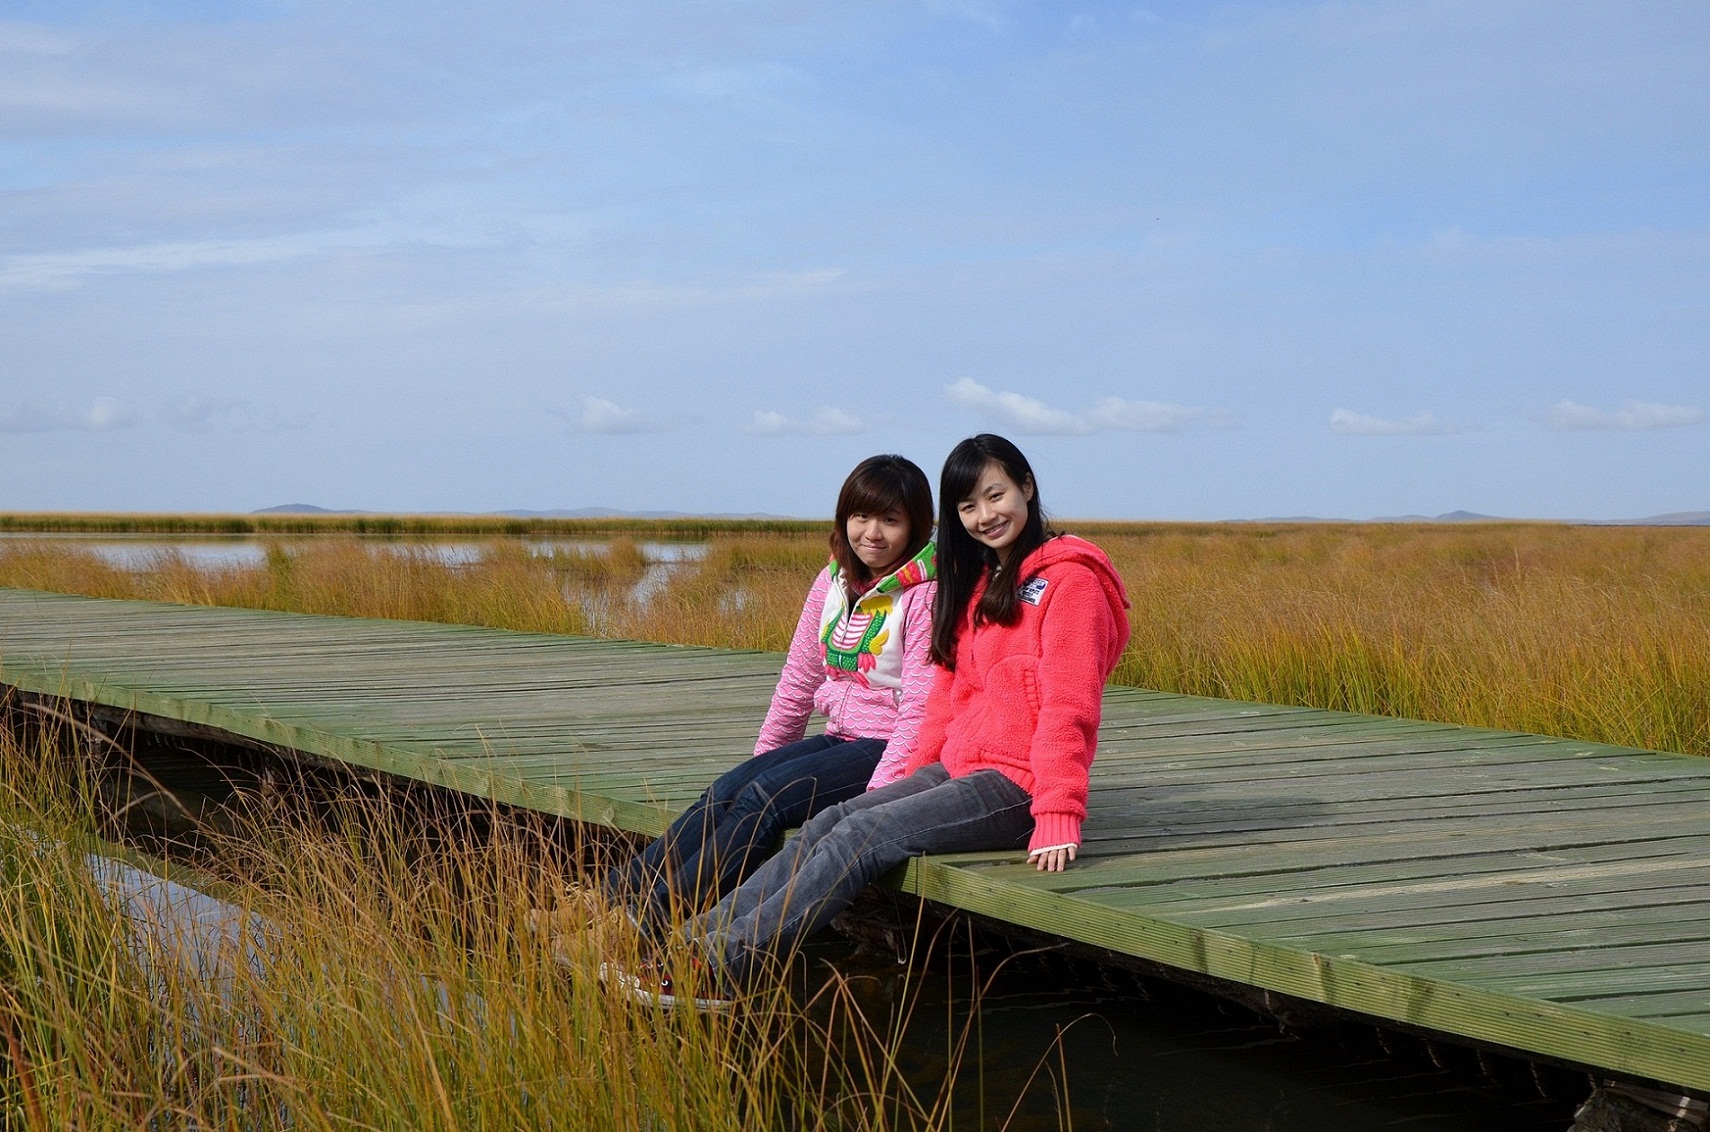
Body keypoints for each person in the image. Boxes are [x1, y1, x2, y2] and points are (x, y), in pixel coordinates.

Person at [613, 434, 1130, 1010]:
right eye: (968, 506)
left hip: (1018, 784)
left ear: (1027, 488)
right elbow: (949, 695)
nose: (985, 516)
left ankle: (717, 962)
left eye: (995, 495)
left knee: (863, 836)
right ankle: (687, 946)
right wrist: (913, 772)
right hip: (958, 764)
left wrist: (1059, 809)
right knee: (831, 819)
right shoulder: (985, 583)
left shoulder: (1072, 583)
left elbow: (1070, 705)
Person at [602, 454, 938, 935]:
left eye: (891, 519)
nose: (872, 533)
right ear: (844, 519)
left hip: (889, 750)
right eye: (861, 516)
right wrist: (765, 762)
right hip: (841, 736)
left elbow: (921, 709)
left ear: (916, 526)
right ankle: (610, 898)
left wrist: (879, 800)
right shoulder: (832, 582)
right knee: (729, 789)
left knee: (766, 800)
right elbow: (799, 678)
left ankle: (645, 920)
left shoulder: (927, 594)